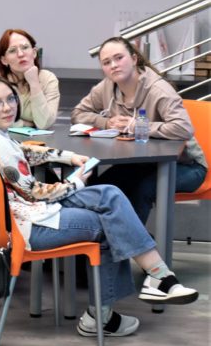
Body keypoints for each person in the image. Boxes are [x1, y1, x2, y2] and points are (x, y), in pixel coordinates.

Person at [0, 75, 198, 337]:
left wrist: (69, 157)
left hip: (20, 217)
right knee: (110, 223)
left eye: (10, 99)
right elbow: (36, 193)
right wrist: (76, 181)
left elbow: (24, 152)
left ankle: (158, 277)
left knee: (110, 194)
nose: (7, 107)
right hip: (28, 225)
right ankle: (106, 313)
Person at [71, 36, 207, 223]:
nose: (114, 65)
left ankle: (133, 240)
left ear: (134, 59)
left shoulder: (159, 89)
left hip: (186, 166)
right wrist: (107, 123)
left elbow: (183, 128)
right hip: (141, 163)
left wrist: (138, 126)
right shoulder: (106, 87)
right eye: (106, 62)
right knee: (98, 186)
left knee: (141, 189)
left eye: (119, 58)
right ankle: (102, 238)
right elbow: (78, 114)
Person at [0, 28, 59, 129]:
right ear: (4, 60)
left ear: (34, 53)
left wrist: (34, 83)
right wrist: (24, 124)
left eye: (25, 47)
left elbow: (44, 124)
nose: (21, 54)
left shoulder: (48, 79)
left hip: (38, 139)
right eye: (12, 51)